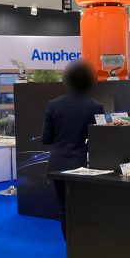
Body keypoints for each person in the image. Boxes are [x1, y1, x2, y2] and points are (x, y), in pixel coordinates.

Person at [42, 60, 105, 238]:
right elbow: (100, 141)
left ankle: (70, 248)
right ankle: (83, 247)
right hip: (83, 165)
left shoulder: (53, 105)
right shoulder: (96, 107)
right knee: (84, 209)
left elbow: (46, 139)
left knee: (64, 210)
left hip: (58, 164)